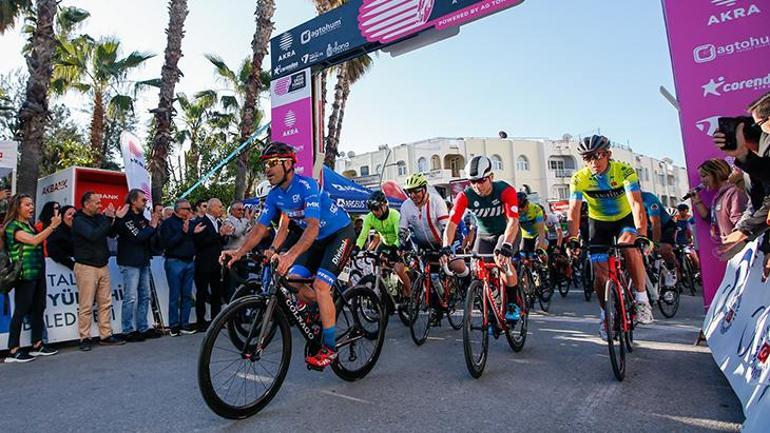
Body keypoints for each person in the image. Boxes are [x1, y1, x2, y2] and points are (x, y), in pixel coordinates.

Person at [222, 142, 355, 369]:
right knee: (292, 280)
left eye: (273, 163)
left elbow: (312, 227)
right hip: (315, 240)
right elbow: (260, 229)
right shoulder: (275, 196)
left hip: (338, 233)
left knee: (321, 286)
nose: (268, 169)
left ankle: (330, 348)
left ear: (288, 164)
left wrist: (289, 255)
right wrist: (239, 251)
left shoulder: (307, 186)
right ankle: (322, 308)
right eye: (266, 165)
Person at [566, 135, 653, 340]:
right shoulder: (579, 179)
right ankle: (606, 315)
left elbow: (636, 204)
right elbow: (574, 210)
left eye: (597, 156)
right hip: (599, 223)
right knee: (600, 272)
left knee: (628, 246)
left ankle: (642, 299)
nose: (592, 162)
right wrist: (572, 237)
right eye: (587, 158)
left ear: (608, 154)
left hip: (625, 219)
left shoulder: (624, 171)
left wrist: (641, 234)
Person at [443, 155, 522, 325]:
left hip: (506, 233)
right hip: (484, 235)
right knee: (477, 270)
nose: (477, 186)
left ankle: (512, 303)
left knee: (502, 262)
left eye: (481, 180)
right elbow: (451, 223)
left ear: (491, 177)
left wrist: (507, 245)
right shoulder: (465, 196)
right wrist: (446, 246)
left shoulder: (505, 190)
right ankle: (491, 304)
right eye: (472, 182)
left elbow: (513, 221)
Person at [400, 173, 470, 325]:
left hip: (443, 240)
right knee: (429, 277)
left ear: (424, 189)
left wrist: (445, 249)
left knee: (457, 265)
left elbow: (446, 227)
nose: (413, 195)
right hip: (424, 244)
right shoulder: (406, 206)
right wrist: (401, 246)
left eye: (416, 190)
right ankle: (436, 309)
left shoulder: (436, 201)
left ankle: (468, 283)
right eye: (409, 192)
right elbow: (403, 230)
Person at [713, 91, 770, 277]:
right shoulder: (751, 162)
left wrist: (744, 231)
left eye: (760, 123)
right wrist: (740, 232)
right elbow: (758, 202)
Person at [3, 194, 60, 363]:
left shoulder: (28, 224)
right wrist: (52, 227)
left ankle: (37, 344)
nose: (31, 208)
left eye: (32, 204)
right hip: (24, 274)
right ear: (17, 207)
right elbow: (34, 241)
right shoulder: (12, 226)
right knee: (21, 311)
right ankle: (13, 350)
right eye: (27, 205)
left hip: (38, 273)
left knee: (39, 307)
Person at [72, 192, 126, 351]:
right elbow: (93, 235)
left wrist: (117, 219)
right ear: (86, 204)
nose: (100, 205)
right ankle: (84, 337)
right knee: (86, 305)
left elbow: (111, 233)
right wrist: (109, 219)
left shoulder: (101, 218)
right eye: (97, 203)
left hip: (102, 265)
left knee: (105, 303)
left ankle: (106, 335)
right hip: (86, 266)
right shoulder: (78, 220)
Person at [115, 189, 162, 342]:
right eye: (143, 200)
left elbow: (149, 237)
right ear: (133, 201)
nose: (145, 203)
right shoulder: (126, 218)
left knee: (146, 295)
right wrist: (153, 225)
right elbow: (138, 237)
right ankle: (127, 330)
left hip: (143, 261)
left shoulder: (141, 217)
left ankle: (143, 327)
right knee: (130, 297)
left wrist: (153, 226)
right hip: (130, 263)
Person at [355, 190, 411, 296]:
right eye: (372, 210)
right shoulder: (370, 217)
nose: (374, 212)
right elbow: (363, 236)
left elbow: (400, 236)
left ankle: (409, 294)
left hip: (399, 242)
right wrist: (357, 248)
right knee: (375, 261)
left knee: (398, 269)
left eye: (376, 209)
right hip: (385, 243)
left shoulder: (394, 215)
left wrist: (395, 248)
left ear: (384, 205)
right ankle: (385, 288)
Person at [192, 198, 233, 331]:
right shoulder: (201, 222)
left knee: (217, 293)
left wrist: (223, 235)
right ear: (211, 208)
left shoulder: (219, 222)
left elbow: (218, 242)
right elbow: (201, 242)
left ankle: (216, 321)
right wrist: (219, 233)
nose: (222, 209)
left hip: (216, 263)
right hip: (203, 264)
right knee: (202, 293)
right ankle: (201, 322)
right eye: (220, 207)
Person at [160, 199, 198, 336]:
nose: (189, 211)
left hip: (189, 262)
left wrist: (193, 232)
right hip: (174, 262)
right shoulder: (168, 224)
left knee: (187, 295)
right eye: (186, 209)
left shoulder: (190, 223)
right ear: (178, 210)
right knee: (175, 295)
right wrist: (183, 232)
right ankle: (174, 325)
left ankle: (185, 324)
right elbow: (167, 244)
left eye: (189, 208)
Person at [691, 159, 748, 249]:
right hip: (733, 250)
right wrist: (698, 202)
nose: (702, 181)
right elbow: (711, 218)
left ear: (716, 173)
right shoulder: (719, 196)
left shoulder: (734, 192)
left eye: (704, 176)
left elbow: (742, 225)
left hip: (741, 250)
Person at [641, 191, 677, 269]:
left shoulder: (650, 199)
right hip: (648, 228)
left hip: (665, 226)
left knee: (662, 248)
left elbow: (656, 224)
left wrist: (655, 244)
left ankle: (673, 268)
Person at [48, 205, 76, 270]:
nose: (73, 217)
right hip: (61, 270)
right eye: (69, 214)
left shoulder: (81, 231)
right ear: (62, 217)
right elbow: (54, 252)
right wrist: (72, 265)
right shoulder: (56, 233)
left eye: (75, 214)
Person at [673, 203, 700, 270]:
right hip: (677, 242)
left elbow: (694, 231)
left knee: (693, 256)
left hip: (687, 241)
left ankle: (697, 269)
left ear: (687, 211)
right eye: (680, 211)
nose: (681, 213)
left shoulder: (691, 219)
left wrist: (693, 240)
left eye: (683, 211)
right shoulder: (675, 219)